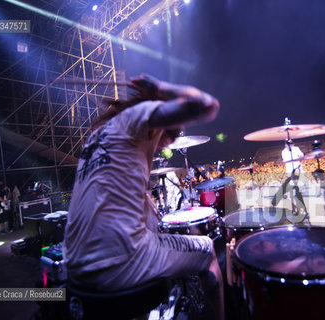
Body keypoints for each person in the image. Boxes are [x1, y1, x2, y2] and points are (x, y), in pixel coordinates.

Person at [63, 74, 223, 319]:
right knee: (207, 250)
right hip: (119, 261)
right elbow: (207, 105)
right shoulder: (138, 117)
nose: (170, 141)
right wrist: (160, 87)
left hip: (74, 264)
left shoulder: (97, 139)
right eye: (175, 133)